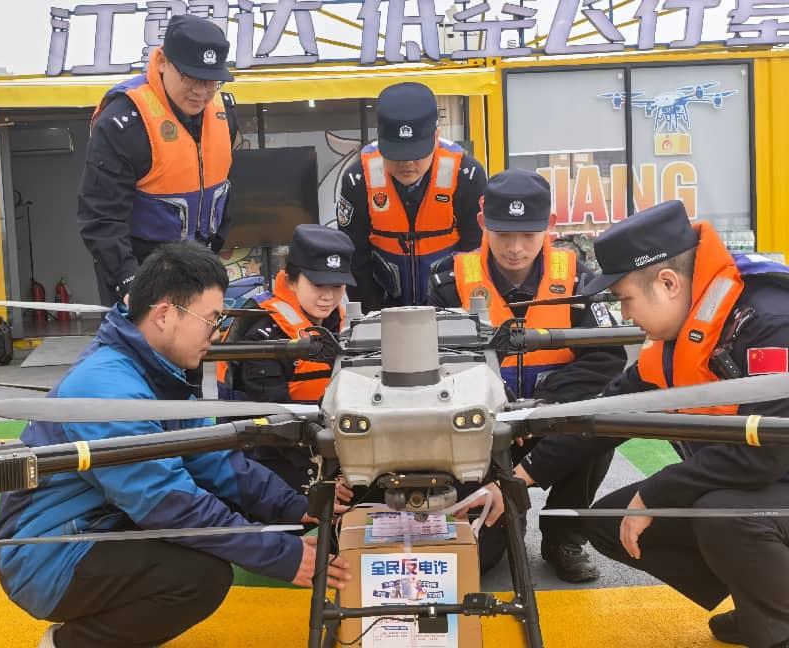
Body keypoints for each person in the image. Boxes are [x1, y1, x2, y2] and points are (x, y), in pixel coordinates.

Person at [0, 242, 351, 648]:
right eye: (211, 319)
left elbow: (215, 461)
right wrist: (283, 555)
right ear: (164, 315)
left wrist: (297, 506)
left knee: (207, 542)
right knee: (199, 578)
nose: (215, 333)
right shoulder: (109, 389)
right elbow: (167, 503)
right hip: (46, 556)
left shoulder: (157, 370)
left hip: (97, 523)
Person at [514, 200, 789, 648]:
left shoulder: (771, 323)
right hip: (766, 486)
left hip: (771, 474)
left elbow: (766, 454)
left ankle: (779, 622)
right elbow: (606, 414)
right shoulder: (681, 333)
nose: (625, 315)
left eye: (626, 299)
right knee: (609, 522)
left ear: (667, 283)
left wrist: (655, 492)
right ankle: (765, 599)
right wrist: (521, 475)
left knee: (723, 513)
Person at [430, 169, 626, 582]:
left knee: (598, 428)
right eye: (503, 234)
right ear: (482, 223)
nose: (515, 248)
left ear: (550, 225)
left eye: (528, 234)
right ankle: (507, 520)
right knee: (483, 560)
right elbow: (437, 364)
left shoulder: (578, 279)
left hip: (551, 419)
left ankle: (563, 537)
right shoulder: (448, 282)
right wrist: (498, 404)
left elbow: (606, 359)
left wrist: (545, 403)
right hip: (479, 429)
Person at [78, 14, 239, 307]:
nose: (201, 92)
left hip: (198, 268)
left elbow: (225, 187)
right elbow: (101, 218)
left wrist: (212, 256)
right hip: (140, 269)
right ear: (163, 62)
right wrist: (130, 283)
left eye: (211, 81)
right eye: (191, 77)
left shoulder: (224, 113)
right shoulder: (123, 122)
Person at [217, 224, 356, 492]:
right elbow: (273, 425)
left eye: (337, 286)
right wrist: (319, 476)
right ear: (291, 280)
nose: (328, 296)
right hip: (269, 459)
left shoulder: (345, 324)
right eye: (317, 285)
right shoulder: (263, 336)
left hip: (333, 445)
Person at [336, 82, 486, 312]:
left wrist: (457, 308)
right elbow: (356, 259)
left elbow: (475, 251)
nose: (407, 163)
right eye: (396, 154)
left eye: (417, 153)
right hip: (383, 303)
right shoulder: (358, 180)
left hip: (452, 302)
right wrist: (373, 315)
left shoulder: (467, 175)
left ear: (436, 136)